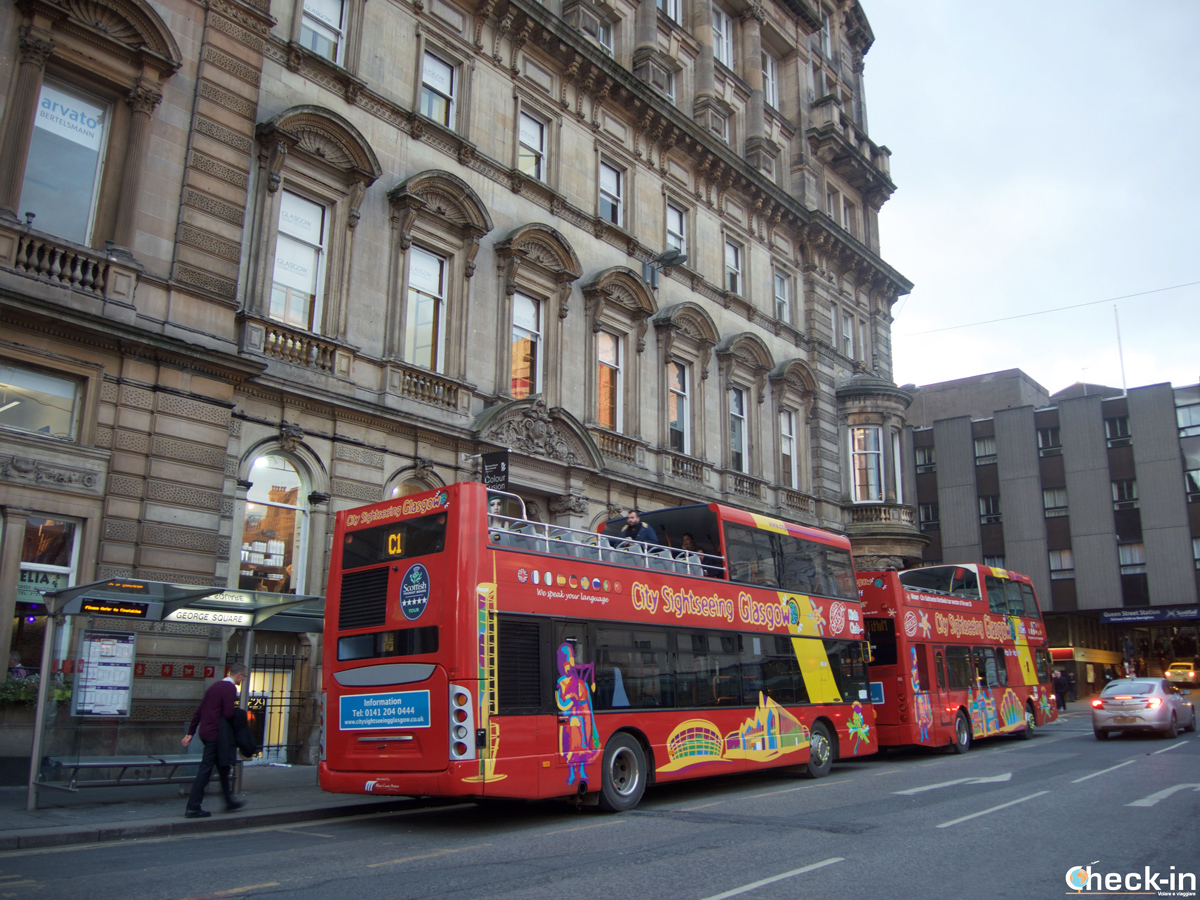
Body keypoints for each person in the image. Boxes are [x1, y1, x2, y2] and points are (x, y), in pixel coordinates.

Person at [182, 663, 248, 817]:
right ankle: (193, 806)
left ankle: (229, 801)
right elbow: (228, 713)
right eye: (244, 676)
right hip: (216, 735)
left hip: (205, 732)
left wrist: (191, 732)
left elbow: (199, 711)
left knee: (223, 768)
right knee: (205, 769)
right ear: (238, 675)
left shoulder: (214, 686)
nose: (243, 679)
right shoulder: (230, 688)